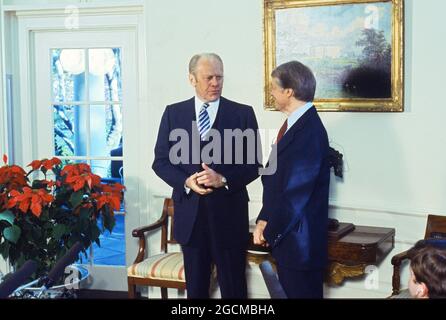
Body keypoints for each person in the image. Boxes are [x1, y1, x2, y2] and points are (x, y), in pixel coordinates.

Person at [152, 53, 261, 298]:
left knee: (234, 290)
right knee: (196, 291)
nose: (215, 83)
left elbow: (254, 165)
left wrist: (222, 179)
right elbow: (160, 161)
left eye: (219, 77)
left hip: (230, 217)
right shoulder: (173, 113)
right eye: (208, 77)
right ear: (192, 79)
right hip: (190, 218)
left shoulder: (242, 114)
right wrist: (186, 182)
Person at [253, 61, 330, 298]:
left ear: (289, 91)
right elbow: (275, 180)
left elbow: (295, 195)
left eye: (274, 88)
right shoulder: (294, 125)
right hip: (289, 242)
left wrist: (269, 231)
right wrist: (264, 218)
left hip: (299, 246)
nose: (272, 93)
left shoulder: (310, 132)